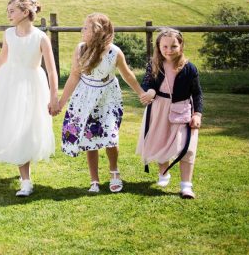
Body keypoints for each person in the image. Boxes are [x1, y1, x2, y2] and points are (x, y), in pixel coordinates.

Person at [0, 0, 58, 197]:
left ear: (25, 12)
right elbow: (2, 59)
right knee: (12, 125)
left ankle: (26, 180)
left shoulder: (40, 38)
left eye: (12, 11)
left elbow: (52, 71)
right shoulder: (9, 34)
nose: (8, 14)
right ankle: (24, 177)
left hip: (31, 85)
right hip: (8, 83)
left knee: (26, 128)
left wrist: (54, 96)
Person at [55, 13, 150, 194]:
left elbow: (127, 75)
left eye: (85, 28)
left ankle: (114, 173)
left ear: (97, 31)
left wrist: (141, 93)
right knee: (90, 138)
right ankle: (94, 180)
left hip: (108, 98)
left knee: (110, 136)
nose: (82, 30)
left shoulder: (114, 52)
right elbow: (75, 76)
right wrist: (61, 102)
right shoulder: (81, 49)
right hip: (85, 97)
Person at [137, 28, 203, 199]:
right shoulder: (154, 65)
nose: (169, 50)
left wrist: (197, 114)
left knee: (187, 147)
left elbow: (197, 93)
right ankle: (163, 173)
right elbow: (147, 83)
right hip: (159, 109)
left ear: (181, 46)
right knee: (161, 142)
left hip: (182, 110)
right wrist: (150, 91)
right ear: (158, 46)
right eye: (164, 46)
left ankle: (186, 186)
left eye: (173, 46)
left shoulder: (189, 68)